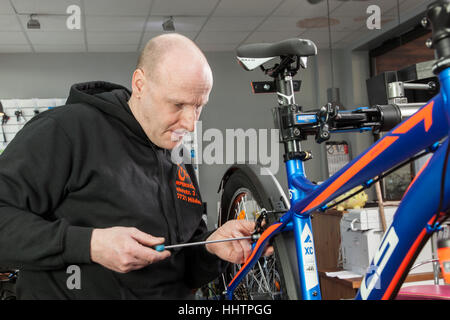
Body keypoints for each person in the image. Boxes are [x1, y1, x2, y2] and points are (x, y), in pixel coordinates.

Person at [0, 33, 271, 299]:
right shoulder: (66, 131)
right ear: (140, 84)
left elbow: (186, 269)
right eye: (178, 104)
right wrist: (90, 245)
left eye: (199, 106)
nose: (190, 124)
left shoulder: (178, 154)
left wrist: (212, 248)